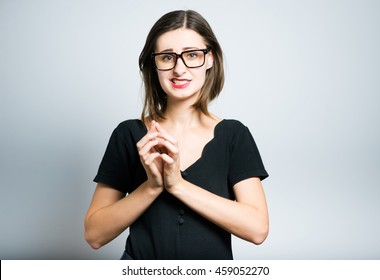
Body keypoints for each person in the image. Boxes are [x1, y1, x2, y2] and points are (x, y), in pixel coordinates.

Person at [84, 10, 269, 260]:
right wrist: (152, 186)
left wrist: (178, 185)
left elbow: (257, 229)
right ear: (154, 64)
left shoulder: (234, 135)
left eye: (192, 55)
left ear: (210, 59)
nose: (179, 69)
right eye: (167, 57)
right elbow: (94, 235)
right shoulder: (128, 134)